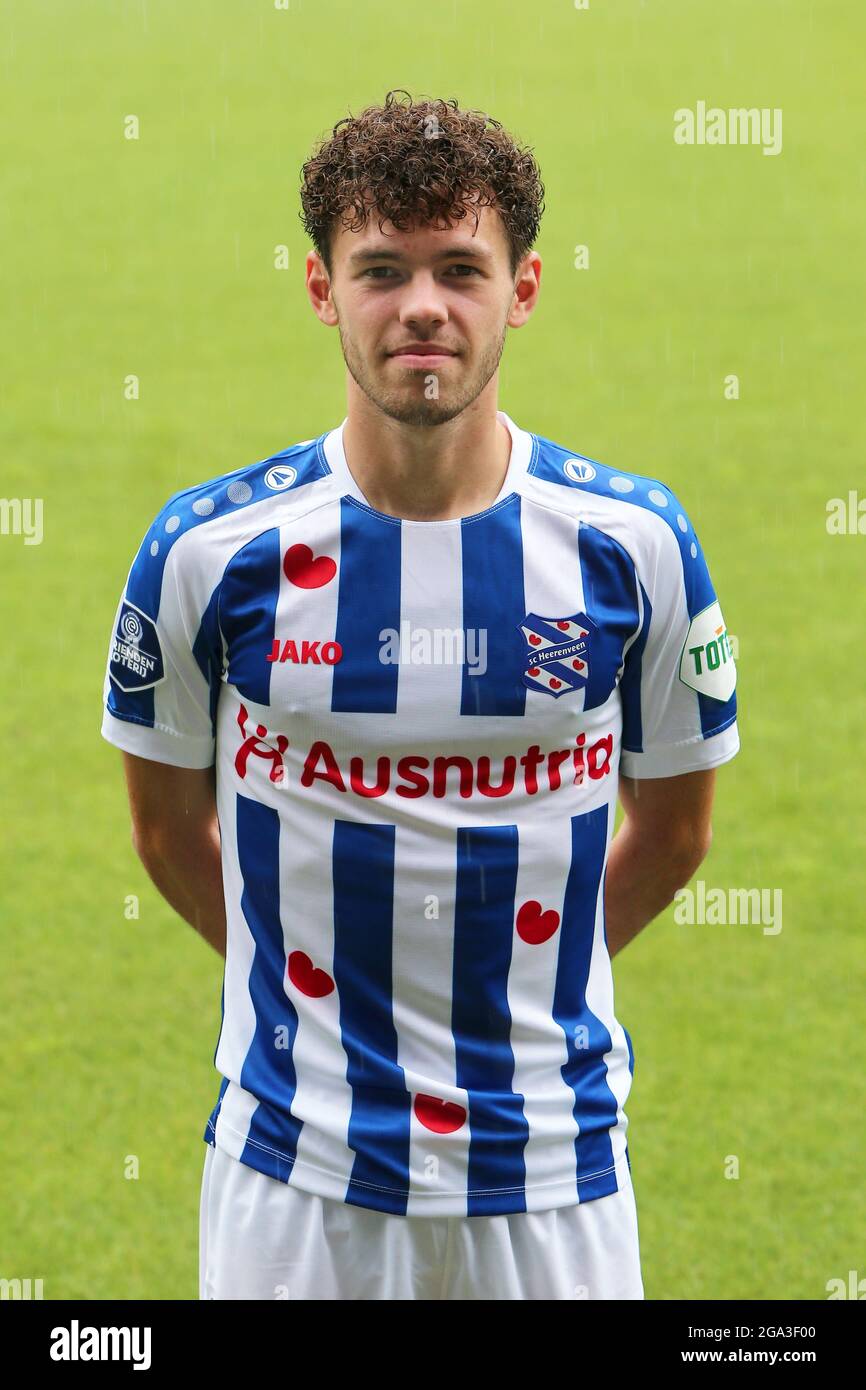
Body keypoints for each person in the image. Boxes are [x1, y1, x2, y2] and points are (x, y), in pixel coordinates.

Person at [100, 89, 739, 1300]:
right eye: (381, 269)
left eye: (460, 267)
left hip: (552, 1173)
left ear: (525, 287)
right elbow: (166, 830)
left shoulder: (634, 548)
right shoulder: (206, 554)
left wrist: (504, 979)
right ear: (319, 288)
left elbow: (675, 832)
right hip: (294, 1176)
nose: (422, 308)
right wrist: (311, 988)